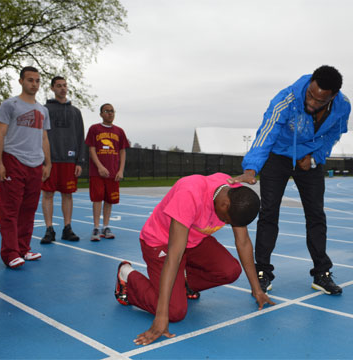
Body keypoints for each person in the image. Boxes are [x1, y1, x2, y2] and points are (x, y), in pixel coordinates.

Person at [229, 65, 350, 295]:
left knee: (316, 214)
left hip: (309, 157)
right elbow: (267, 131)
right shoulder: (287, 98)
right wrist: (252, 168)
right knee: (268, 212)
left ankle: (321, 274)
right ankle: (262, 271)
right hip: (279, 154)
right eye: (310, 96)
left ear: (332, 97)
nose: (312, 103)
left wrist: (314, 157)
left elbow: (334, 133)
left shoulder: (343, 106)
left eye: (319, 101)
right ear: (309, 85)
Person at [114, 173, 275, 346]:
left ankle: (184, 284)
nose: (226, 224)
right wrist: (161, 316)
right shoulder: (190, 194)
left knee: (230, 271)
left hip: (194, 241)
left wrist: (257, 290)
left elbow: (243, 242)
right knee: (174, 312)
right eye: (226, 220)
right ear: (225, 203)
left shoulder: (236, 196)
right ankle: (127, 277)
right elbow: (174, 257)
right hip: (161, 242)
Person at [0, 66, 51, 268]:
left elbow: (44, 137)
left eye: (37, 80)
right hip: (14, 161)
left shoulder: (43, 110)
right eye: (30, 80)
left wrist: (47, 163)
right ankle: (10, 253)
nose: (33, 84)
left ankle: (23, 248)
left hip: (35, 164)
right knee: (10, 210)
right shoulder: (10, 105)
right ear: (21, 82)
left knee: (28, 210)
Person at [40, 76, 86, 244]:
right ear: (52, 88)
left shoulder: (75, 112)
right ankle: (49, 229)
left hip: (69, 159)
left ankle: (67, 228)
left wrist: (79, 161)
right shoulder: (44, 109)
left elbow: (81, 136)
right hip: (50, 160)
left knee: (67, 194)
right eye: (59, 86)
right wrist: (43, 160)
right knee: (48, 194)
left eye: (65, 85)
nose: (62, 88)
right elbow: (39, 135)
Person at [85, 103, 129, 241]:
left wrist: (120, 170)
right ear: (101, 114)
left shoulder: (119, 131)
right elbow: (91, 149)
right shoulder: (94, 129)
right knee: (97, 199)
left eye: (112, 111)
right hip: (97, 172)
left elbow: (122, 151)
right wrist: (99, 166)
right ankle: (96, 227)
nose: (110, 113)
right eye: (107, 111)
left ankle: (106, 226)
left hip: (113, 172)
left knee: (109, 200)